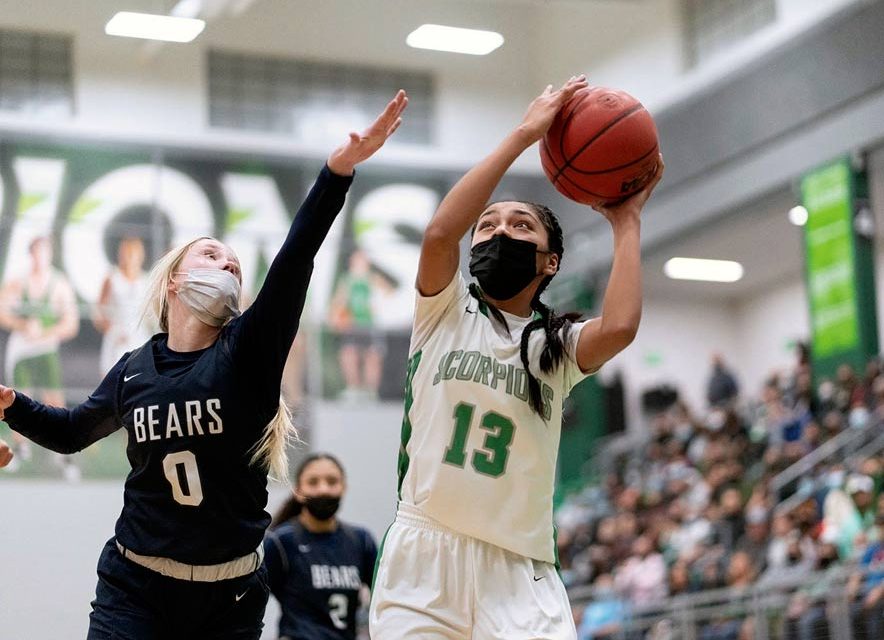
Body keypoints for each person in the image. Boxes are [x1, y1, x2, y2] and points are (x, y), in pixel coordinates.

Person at [0, 90, 407, 640]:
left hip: (228, 596)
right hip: (134, 584)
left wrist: (337, 172)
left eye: (234, 265)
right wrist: (12, 405)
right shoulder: (132, 368)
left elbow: (295, 259)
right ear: (173, 279)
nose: (229, 266)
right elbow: (73, 433)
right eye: (212, 256)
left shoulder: (248, 350)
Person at [369, 76, 663, 639]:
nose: (500, 230)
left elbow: (622, 326)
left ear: (549, 262)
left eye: (520, 225)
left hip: (519, 569)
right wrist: (525, 134)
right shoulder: (446, 312)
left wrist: (626, 221)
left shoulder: (557, 347)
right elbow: (437, 235)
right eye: (489, 224)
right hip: (426, 553)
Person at [264, 454, 377, 640]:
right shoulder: (281, 542)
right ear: (298, 491)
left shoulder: (361, 540)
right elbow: (249, 602)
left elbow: (383, 598)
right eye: (313, 482)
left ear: (344, 488)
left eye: (332, 482)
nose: (323, 489)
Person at [0, 235, 80, 477]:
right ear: (30, 254)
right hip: (21, 350)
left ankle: (62, 452)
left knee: (54, 396)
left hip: (46, 348)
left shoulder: (59, 284)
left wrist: (45, 331)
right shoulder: (19, 282)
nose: (40, 257)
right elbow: (2, 311)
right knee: (16, 396)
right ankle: (21, 448)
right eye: (36, 252)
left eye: (44, 252)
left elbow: (71, 323)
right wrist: (23, 325)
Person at [93, 235, 152, 375]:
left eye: (133, 254)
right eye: (126, 253)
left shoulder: (146, 280)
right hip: (116, 337)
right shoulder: (112, 278)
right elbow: (98, 311)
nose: (129, 258)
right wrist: (112, 331)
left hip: (139, 338)